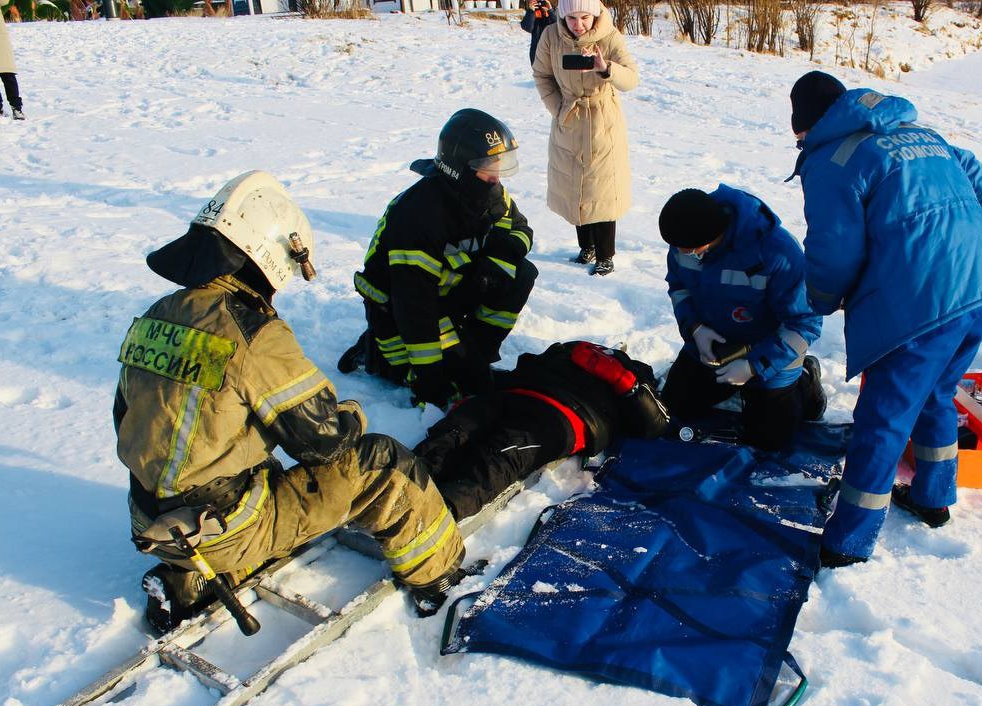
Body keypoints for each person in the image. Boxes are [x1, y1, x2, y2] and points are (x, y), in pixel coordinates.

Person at [116, 171, 465, 630]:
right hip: (228, 523)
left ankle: (189, 582)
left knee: (266, 478)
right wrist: (352, 414)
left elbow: (129, 417)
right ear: (267, 255)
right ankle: (440, 578)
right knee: (384, 465)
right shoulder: (252, 333)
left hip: (154, 522)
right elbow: (323, 442)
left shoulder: (157, 316)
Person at [787, 71, 982, 567]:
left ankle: (846, 544)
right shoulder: (919, 134)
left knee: (883, 420)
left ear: (806, 126)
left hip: (921, 301)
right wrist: (956, 239)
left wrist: (822, 298)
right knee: (936, 392)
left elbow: (835, 251)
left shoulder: (832, 160)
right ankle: (934, 499)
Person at [343, 109, 537, 410]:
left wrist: (496, 260)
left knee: (521, 273)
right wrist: (429, 381)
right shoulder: (420, 214)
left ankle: (476, 353)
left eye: (499, 166)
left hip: (446, 293)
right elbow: (415, 306)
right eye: (488, 166)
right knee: (434, 374)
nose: (497, 176)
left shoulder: (489, 192)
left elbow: (520, 228)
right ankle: (377, 355)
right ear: (459, 168)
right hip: (398, 308)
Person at [416, 340, 669, 520]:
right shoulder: (574, 349)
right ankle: (402, 479)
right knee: (456, 430)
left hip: (564, 415)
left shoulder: (635, 376)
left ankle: (434, 515)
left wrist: (627, 382)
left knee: (501, 454)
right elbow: (527, 366)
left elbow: (656, 424)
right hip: (518, 392)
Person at [656, 185, 826, 451]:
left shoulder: (777, 252)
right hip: (714, 348)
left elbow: (805, 324)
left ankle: (806, 380)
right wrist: (695, 328)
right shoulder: (684, 242)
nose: (681, 253)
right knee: (672, 411)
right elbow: (678, 288)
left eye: (688, 249)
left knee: (769, 442)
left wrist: (754, 366)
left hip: (770, 351)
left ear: (712, 237)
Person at [532, 0, 637, 276]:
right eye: (572, 19)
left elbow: (631, 79)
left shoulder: (610, 36)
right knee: (574, 188)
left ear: (595, 15)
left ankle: (605, 255)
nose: (578, 25)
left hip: (603, 121)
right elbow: (541, 74)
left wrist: (607, 69)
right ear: (563, 17)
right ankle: (586, 246)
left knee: (601, 191)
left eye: (584, 18)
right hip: (568, 118)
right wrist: (557, 108)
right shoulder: (550, 37)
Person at [520, 0, 555, 66]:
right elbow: (527, 27)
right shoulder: (533, 11)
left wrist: (550, 11)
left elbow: (558, 27)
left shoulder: (554, 9)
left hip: (553, 52)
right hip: (537, 52)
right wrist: (531, 11)